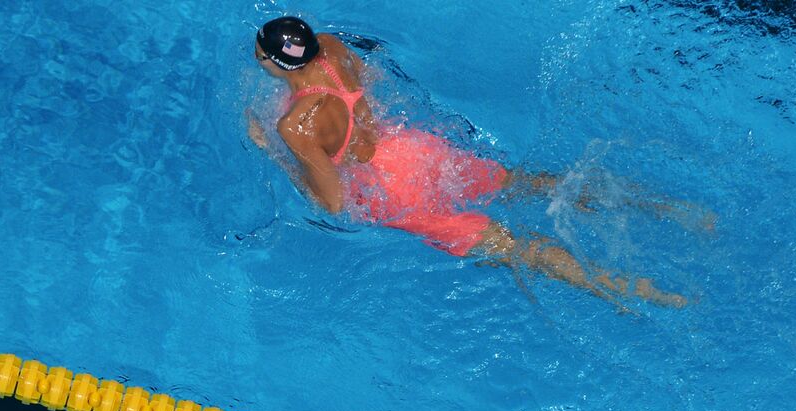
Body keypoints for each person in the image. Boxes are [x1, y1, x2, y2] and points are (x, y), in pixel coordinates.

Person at [247, 15, 696, 309]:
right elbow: (374, 87)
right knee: (527, 183)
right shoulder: (332, 47)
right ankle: (671, 209)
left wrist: (273, 152)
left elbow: (332, 202)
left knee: (516, 247)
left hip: (397, 193)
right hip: (412, 150)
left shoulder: (296, 126)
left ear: (274, 62)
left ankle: (651, 295)